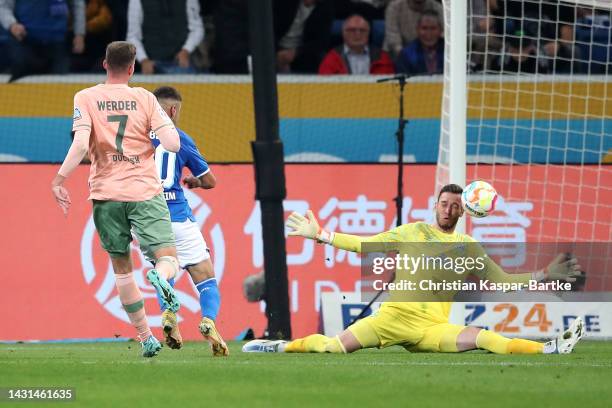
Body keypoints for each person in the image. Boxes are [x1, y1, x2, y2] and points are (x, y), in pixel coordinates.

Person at [243, 184, 585, 355]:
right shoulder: (411, 232)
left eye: (455, 206)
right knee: (333, 348)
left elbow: (505, 282)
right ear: (435, 205)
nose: (449, 210)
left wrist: (544, 274)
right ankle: (279, 347)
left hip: (432, 329)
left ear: (464, 211)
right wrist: (322, 235)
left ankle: (550, 348)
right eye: (444, 204)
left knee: (481, 337)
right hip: (390, 320)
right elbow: (365, 245)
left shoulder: (468, 247)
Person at [51, 41, 182, 358]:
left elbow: (81, 145)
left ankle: (145, 337)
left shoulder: (86, 97)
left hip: (106, 194)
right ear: (133, 68)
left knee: (122, 268)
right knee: (168, 258)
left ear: (104, 64)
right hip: (144, 191)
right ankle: (159, 276)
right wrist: (152, 132)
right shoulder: (146, 98)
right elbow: (173, 144)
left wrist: (59, 179)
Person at [143, 85, 228, 357]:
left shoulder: (136, 138)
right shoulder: (180, 138)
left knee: (164, 270)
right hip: (178, 216)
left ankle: (169, 314)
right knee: (205, 277)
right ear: (173, 110)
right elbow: (210, 181)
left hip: (147, 219)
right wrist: (195, 182)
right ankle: (209, 321)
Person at [0, 0, 86, 81]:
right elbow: (3, 7)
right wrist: (12, 25)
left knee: (60, 84)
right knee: (21, 86)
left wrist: (79, 34)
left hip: (58, 43)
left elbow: (77, 5)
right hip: (25, 41)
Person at [126, 0, 204, 74]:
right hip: (151, 64)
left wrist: (186, 50)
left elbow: (197, 29)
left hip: (181, 64)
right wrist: (143, 60)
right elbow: (132, 36)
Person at [318, 14, 394, 75]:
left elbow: (390, 86)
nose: (357, 34)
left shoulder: (382, 58)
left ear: (368, 33)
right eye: (352, 30)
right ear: (343, 33)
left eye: (362, 30)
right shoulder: (331, 58)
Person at [396, 11, 444, 75]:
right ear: (417, 30)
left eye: (433, 28)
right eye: (424, 28)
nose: (428, 33)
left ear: (441, 30)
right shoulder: (406, 54)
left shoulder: (451, 52)